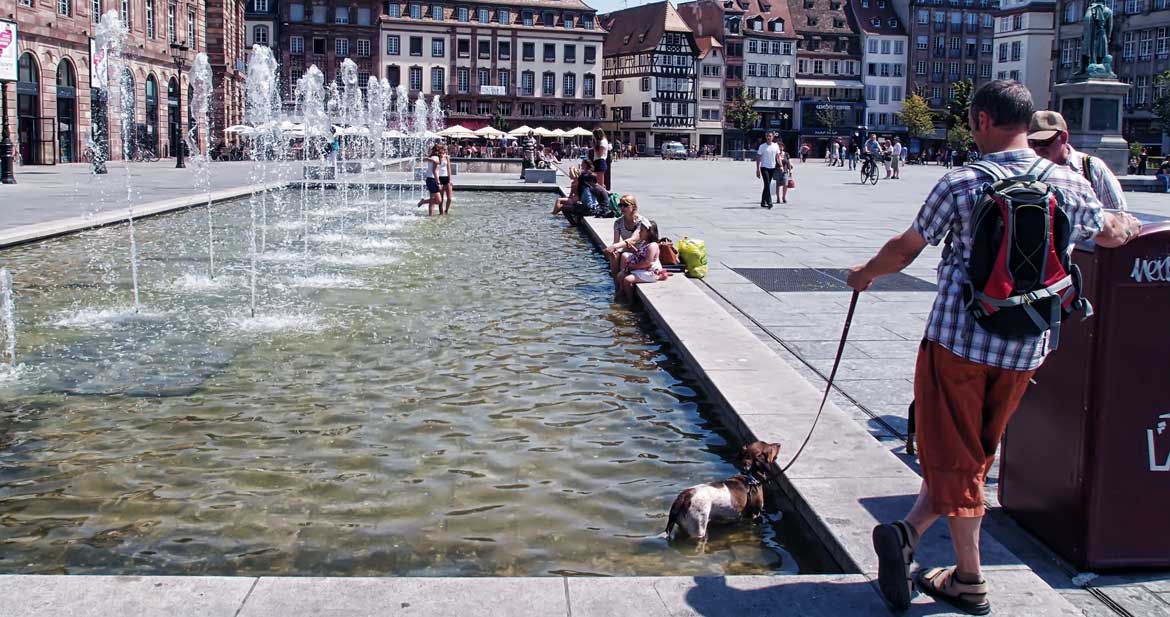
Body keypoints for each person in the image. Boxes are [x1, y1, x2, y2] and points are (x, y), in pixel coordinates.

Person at [846, 80, 1142, 615]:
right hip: (1028, 345)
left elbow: (906, 249)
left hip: (958, 342)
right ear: (1028, 124)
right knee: (976, 454)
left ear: (982, 120)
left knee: (956, 457)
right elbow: (1109, 232)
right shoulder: (1068, 183)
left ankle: (970, 579)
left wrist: (863, 275)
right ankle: (908, 535)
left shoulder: (962, 182)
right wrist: (1128, 221)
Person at [1028, 110, 1127, 211]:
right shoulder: (1028, 168)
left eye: (1044, 142)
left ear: (1063, 137)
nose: (1037, 148)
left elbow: (1118, 215)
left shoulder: (1090, 167)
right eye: (1032, 142)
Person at [617, 220, 666, 302]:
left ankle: (630, 301)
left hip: (650, 272)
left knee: (627, 280)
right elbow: (641, 255)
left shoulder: (652, 245)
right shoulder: (645, 243)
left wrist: (631, 267)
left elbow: (648, 263)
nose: (639, 232)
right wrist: (634, 250)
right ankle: (623, 292)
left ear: (649, 232)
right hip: (642, 269)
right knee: (620, 275)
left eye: (642, 230)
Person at [603, 195, 650, 276]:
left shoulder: (641, 222)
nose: (622, 208)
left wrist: (614, 247)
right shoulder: (618, 222)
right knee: (614, 255)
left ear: (634, 207)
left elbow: (633, 239)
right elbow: (616, 241)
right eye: (620, 205)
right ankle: (616, 281)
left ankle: (623, 276)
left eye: (625, 205)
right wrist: (614, 249)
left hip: (641, 251)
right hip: (628, 249)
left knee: (624, 255)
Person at [756, 132, 782, 209]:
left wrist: (781, 166)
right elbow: (758, 158)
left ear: (773, 137)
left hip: (772, 167)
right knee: (767, 184)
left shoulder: (775, 146)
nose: (768, 137)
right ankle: (769, 202)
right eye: (767, 136)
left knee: (767, 185)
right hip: (764, 167)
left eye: (770, 136)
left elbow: (778, 157)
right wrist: (757, 169)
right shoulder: (762, 146)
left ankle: (763, 202)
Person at [416, 143, 444, 216]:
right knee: (438, 200)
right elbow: (434, 171)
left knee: (432, 199)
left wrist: (428, 158)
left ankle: (430, 215)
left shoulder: (433, 157)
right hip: (432, 180)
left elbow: (427, 159)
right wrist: (438, 183)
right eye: (443, 150)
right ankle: (423, 202)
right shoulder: (436, 158)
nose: (443, 151)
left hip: (429, 179)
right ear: (439, 150)